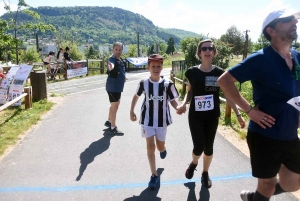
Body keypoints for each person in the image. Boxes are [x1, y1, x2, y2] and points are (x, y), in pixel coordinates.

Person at [217, 9, 300, 201]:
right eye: (287, 20)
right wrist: (249, 110)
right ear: (271, 31)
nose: (294, 22)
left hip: (289, 133)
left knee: (294, 182)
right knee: (267, 184)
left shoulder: (297, 57)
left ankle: (254, 197)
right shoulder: (261, 58)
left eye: (294, 20)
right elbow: (224, 81)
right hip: (265, 133)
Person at [177, 39, 245, 189]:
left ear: (214, 52)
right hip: (195, 115)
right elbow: (190, 92)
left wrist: (238, 115)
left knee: (209, 148)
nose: (207, 51)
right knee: (198, 146)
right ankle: (194, 163)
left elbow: (228, 95)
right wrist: (183, 104)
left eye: (210, 48)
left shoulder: (220, 73)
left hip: (212, 116)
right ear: (199, 53)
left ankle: (205, 173)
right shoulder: (192, 72)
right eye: (204, 48)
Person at [130, 54, 181, 190]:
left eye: (158, 66)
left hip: (162, 122)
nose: (156, 69)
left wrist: (178, 108)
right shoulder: (143, 83)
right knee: (150, 147)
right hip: (147, 121)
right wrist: (131, 111)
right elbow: (136, 96)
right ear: (148, 67)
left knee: (159, 146)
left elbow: (173, 100)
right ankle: (154, 175)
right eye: (153, 66)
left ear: (162, 67)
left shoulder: (168, 84)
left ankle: (163, 149)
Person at [104, 42, 126, 134]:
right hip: (112, 88)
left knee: (115, 105)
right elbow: (111, 65)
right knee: (115, 107)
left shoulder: (120, 60)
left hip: (118, 87)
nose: (118, 51)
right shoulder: (111, 59)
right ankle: (113, 128)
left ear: (122, 50)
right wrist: (110, 67)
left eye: (119, 49)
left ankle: (109, 121)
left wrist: (124, 77)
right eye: (116, 49)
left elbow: (120, 71)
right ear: (113, 50)